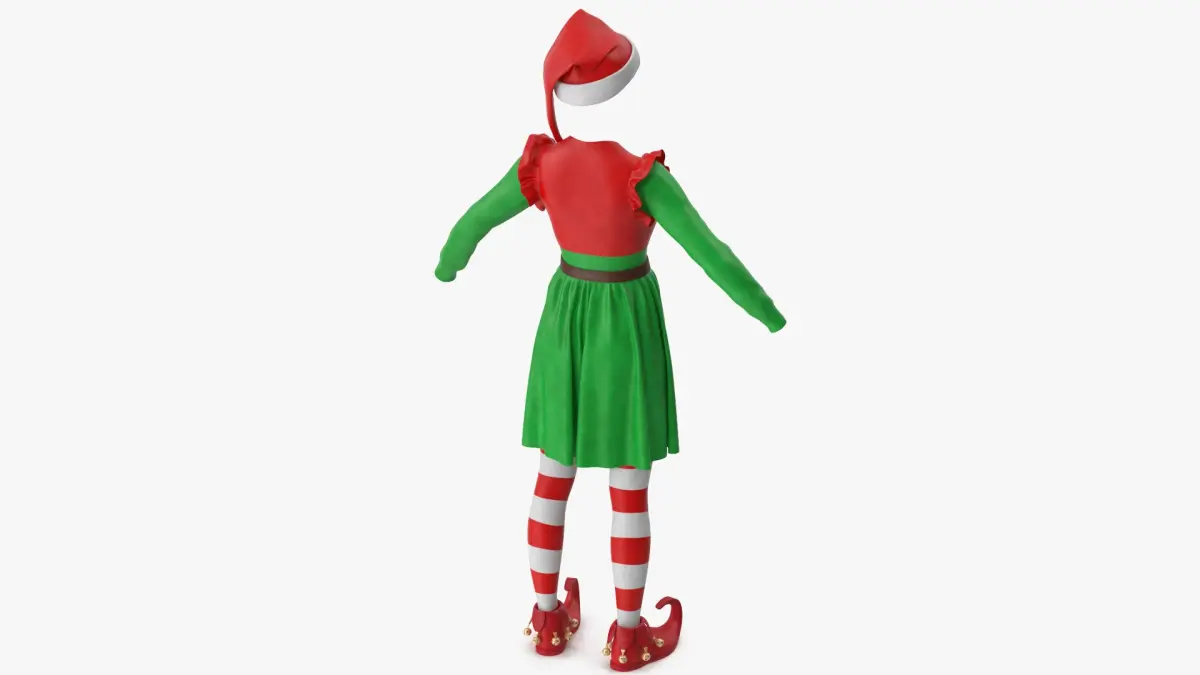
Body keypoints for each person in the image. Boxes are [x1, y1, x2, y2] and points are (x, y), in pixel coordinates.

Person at [434, 9, 785, 671]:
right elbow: (712, 253)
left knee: (553, 472)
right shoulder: (641, 176)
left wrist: (449, 264)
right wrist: (768, 314)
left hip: (566, 318)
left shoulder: (542, 164)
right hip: (626, 322)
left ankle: (547, 619)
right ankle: (626, 633)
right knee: (629, 484)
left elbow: (476, 220)